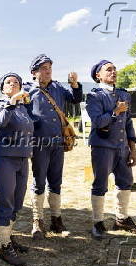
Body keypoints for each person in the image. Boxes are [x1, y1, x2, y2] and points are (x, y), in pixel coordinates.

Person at [86, 60, 136, 240]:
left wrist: (133, 150)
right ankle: (97, 222)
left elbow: (128, 123)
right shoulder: (94, 96)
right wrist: (116, 111)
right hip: (102, 146)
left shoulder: (124, 95)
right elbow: (97, 122)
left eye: (115, 70)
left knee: (126, 181)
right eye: (108, 70)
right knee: (100, 184)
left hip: (122, 147)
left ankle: (122, 219)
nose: (113, 72)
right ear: (98, 75)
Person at [25, 54, 83, 239]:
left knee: (56, 181)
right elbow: (24, 115)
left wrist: (74, 84)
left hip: (58, 143)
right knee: (39, 181)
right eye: (43, 68)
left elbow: (75, 99)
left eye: (49, 67)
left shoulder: (58, 87)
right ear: (34, 72)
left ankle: (56, 220)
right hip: (39, 144)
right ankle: (37, 221)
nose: (48, 70)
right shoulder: (27, 90)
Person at [0, 73, 34, 266]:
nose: (13, 84)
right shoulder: (0, 104)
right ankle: (4, 246)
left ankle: (8, 237)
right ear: (2, 88)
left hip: (22, 158)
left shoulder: (23, 107)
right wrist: (11, 101)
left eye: (16, 82)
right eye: (8, 82)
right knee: (6, 200)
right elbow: (0, 122)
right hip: (5, 158)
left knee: (18, 201)